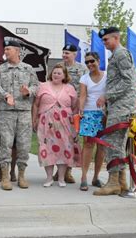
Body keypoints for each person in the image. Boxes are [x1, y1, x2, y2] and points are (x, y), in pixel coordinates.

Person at [94, 27, 136, 196]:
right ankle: (121, 181)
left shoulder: (121, 54)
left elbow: (128, 82)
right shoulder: (116, 56)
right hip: (117, 105)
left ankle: (113, 182)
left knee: (113, 143)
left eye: (106, 39)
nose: (104, 43)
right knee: (117, 143)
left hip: (121, 106)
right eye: (103, 40)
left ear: (116, 38)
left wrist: (107, 96)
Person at [0, 39, 39, 190]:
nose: (5, 52)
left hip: (24, 112)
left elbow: (36, 86)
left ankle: (21, 176)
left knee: (24, 145)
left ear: (18, 51)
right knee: (5, 144)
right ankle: (5, 176)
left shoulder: (28, 69)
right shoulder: (0, 69)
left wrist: (29, 91)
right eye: (5, 49)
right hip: (6, 113)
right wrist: (5, 95)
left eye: (8, 49)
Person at [32, 63, 79, 187]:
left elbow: (75, 107)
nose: (56, 75)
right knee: (46, 148)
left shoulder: (70, 88)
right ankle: (48, 178)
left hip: (65, 124)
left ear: (64, 76)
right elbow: (36, 104)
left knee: (64, 148)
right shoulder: (43, 86)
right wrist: (34, 120)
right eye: (54, 72)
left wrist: (74, 123)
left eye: (59, 73)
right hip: (46, 122)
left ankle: (61, 178)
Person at [53, 44, 88, 184]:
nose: (64, 55)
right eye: (63, 53)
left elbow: (85, 89)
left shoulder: (82, 69)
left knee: (72, 141)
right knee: (58, 140)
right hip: (59, 109)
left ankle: (68, 171)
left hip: (74, 110)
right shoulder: (58, 67)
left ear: (75, 54)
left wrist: (81, 109)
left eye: (67, 53)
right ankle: (58, 170)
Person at [78, 52, 106, 191]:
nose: (90, 64)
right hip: (89, 113)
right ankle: (84, 177)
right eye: (87, 62)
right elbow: (82, 96)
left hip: (104, 114)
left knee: (101, 147)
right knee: (88, 145)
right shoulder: (84, 78)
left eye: (92, 61)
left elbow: (111, 91)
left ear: (98, 60)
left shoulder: (107, 76)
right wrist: (81, 109)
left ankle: (96, 177)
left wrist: (104, 97)